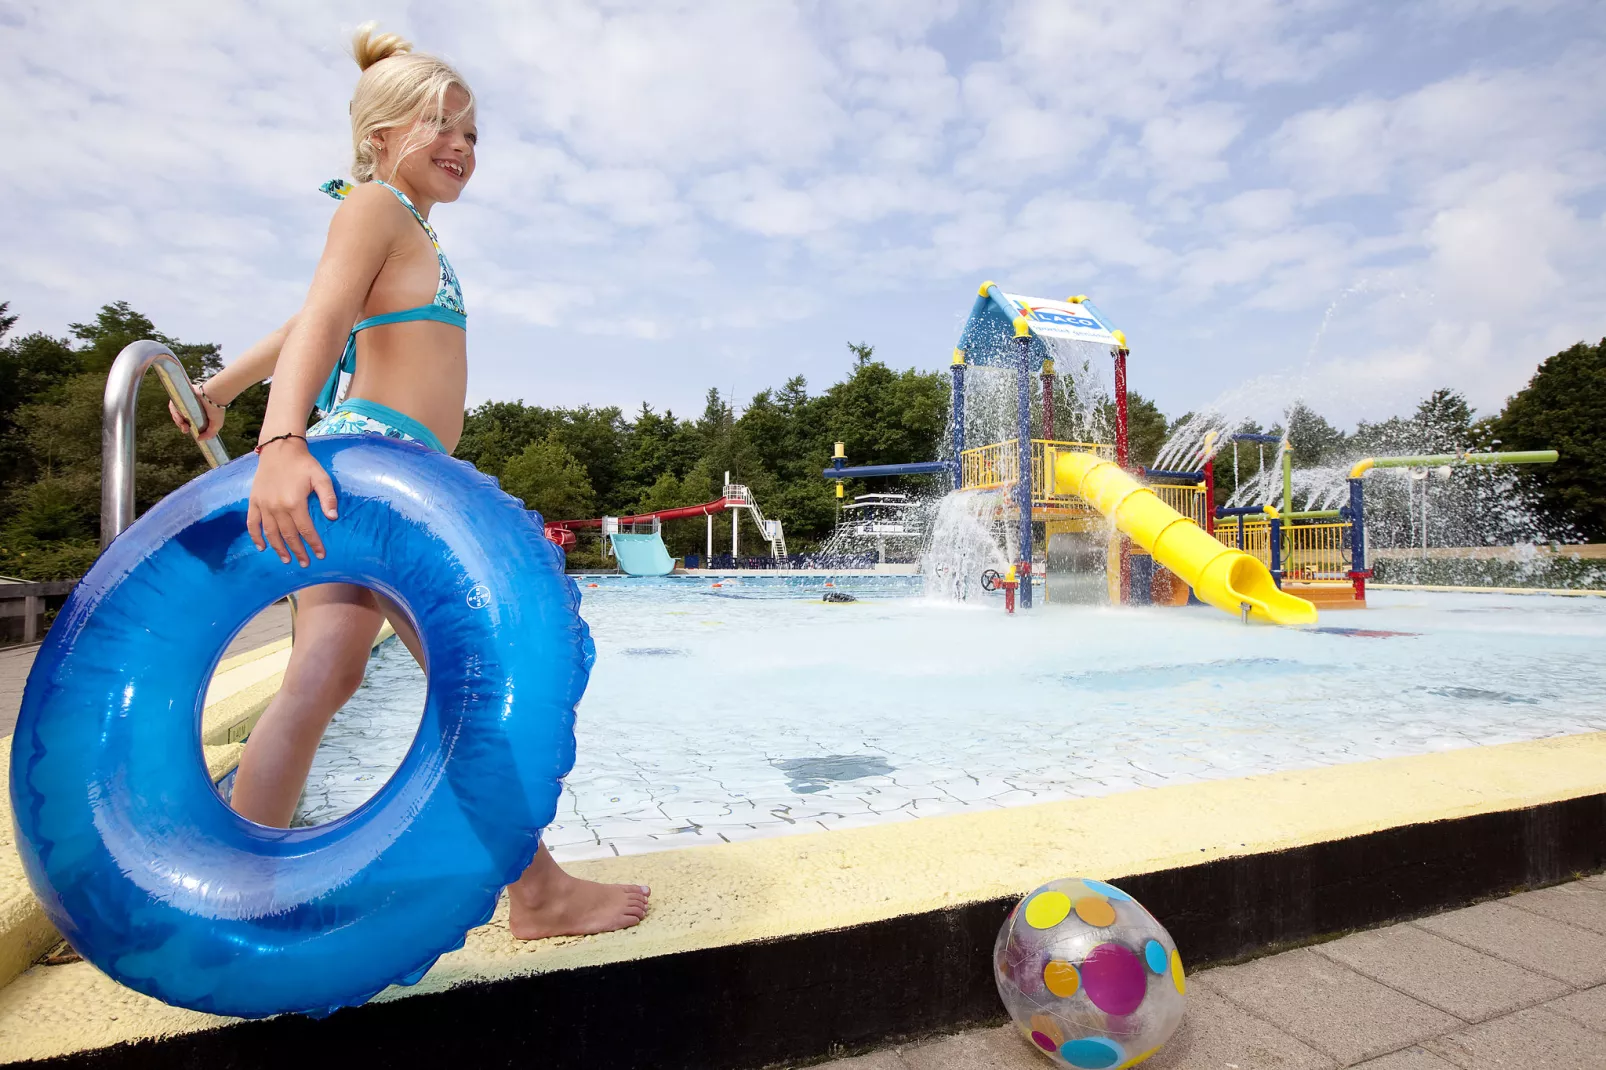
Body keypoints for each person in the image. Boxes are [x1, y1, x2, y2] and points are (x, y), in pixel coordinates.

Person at [169, 24, 649, 939]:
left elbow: (319, 312)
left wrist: (224, 388)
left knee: (322, 676)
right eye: (442, 126)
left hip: (375, 470)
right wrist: (279, 439)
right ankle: (539, 891)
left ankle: (241, 886)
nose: (464, 148)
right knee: (470, 678)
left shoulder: (401, 225)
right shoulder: (375, 205)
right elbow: (324, 322)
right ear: (380, 135)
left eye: (473, 134)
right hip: (381, 472)